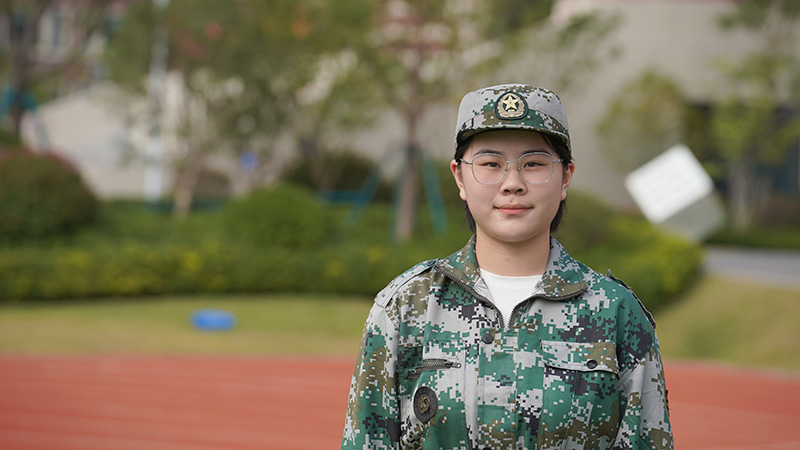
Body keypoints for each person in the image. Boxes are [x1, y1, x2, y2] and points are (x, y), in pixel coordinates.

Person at [341, 83, 673, 449]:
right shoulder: (407, 306)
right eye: (490, 164)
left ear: (565, 177)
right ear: (459, 177)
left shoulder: (615, 313)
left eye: (533, 164)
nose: (512, 183)